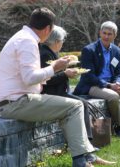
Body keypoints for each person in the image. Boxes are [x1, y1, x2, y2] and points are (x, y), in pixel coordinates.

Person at [0, 8, 98, 167]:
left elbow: (27, 78)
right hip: (16, 103)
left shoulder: (22, 37)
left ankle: (84, 157)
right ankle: (81, 161)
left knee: (71, 106)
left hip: (14, 101)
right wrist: (55, 67)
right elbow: (29, 78)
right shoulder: (27, 41)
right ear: (48, 28)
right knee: (75, 105)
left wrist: (51, 72)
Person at [39, 26, 114, 165]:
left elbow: (55, 74)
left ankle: (88, 151)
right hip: (52, 94)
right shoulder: (45, 54)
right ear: (56, 41)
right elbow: (47, 79)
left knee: (84, 104)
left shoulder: (50, 53)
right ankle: (88, 151)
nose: (62, 44)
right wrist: (66, 74)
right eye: (62, 41)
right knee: (82, 104)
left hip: (59, 92)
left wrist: (66, 69)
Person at [73, 21, 120, 137]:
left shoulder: (116, 51)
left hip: (111, 84)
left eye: (109, 34)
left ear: (115, 36)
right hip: (93, 85)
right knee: (113, 96)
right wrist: (109, 85)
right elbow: (88, 76)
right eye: (104, 33)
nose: (106, 36)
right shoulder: (89, 50)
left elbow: (118, 72)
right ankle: (119, 127)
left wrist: (118, 82)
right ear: (100, 33)